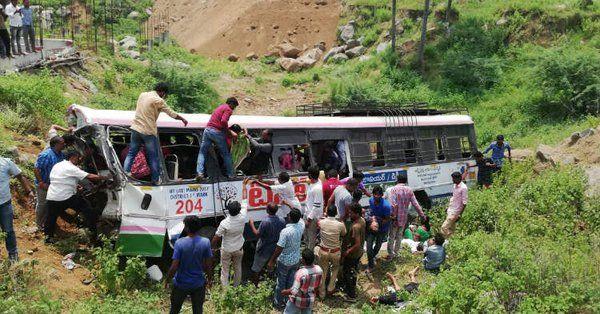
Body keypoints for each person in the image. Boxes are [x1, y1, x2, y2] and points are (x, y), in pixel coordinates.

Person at [125, 83, 188, 185]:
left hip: (135, 128)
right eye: (165, 94)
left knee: (132, 153)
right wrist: (182, 119)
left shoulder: (142, 95)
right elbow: (171, 113)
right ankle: (156, 179)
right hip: (148, 131)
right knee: (153, 156)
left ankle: (126, 172)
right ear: (162, 92)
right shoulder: (158, 100)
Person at [44, 150, 109, 244]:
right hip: (66, 197)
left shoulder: (57, 165)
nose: (79, 160)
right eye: (78, 157)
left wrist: (75, 186)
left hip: (52, 196)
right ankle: (93, 238)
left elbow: (61, 179)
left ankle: (48, 238)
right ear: (73, 157)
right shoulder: (71, 168)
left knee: (51, 217)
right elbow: (89, 176)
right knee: (89, 212)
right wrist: (106, 177)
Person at [166, 215, 213, 314]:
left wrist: (167, 280)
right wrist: (209, 279)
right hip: (198, 284)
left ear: (187, 228)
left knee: (174, 310)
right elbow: (208, 264)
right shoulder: (205, 242)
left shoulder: (179, 243)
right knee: (198, 310)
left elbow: (174, 266)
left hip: (181, 283)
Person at [268, 208, 305, 309]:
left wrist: (271, 261)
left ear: (289, 218)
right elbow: (301, 218)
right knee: (291, 281)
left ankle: (278, 303)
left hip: (284, 261)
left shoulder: (285, 231)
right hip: (296, 259)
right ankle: (288, 301)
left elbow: (279, 248)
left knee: (281, 282)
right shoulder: (301, 226)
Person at [0, 155, 34, 262]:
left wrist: (29, 191)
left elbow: (20, 176)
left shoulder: (6, 162)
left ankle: (13, 257)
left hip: (4, 203)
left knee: (8, 230)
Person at [196, 97, 239, 180]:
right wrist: (229, 132)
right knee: (226, 154)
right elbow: (223, 121)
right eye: (234, 106)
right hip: (216, 132)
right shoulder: (228, 109)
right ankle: (231, 174)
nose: (233, 109)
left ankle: (200, 173)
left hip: (207, 130)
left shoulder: (220, 107)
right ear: (231, 104)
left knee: (202, 152)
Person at [386, 174, 426, 260]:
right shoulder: (409, 190)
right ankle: (396, 253)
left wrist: (393, 215)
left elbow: (393, 204)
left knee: (392, 236)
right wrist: (422, 215)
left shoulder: (394, 189)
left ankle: (390, 254)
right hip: (404, 217)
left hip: (395, 217)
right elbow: (416, 204)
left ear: (397, 180)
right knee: (399, 235)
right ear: (406, 181)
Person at [248, 203, 286, 284]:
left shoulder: (265, 221)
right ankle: (269, 282)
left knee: (257, 267)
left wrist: (251, 224)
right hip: (275, 248)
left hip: (264, 248)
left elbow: (257, 234)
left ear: (267, 210)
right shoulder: (282, 220)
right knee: (271, 265)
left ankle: (255, 284)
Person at [33, 136, 66, 231]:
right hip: (44, 184)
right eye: (62, 143)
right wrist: (41, 183)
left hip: (54, 185)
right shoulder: (46, 155)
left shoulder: (61, 155)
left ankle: (47, 223)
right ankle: (39, 225)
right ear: (56, 144)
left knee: (50, 205)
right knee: (42, 204)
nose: (64, 145)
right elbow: (36, 169)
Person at [211, 201, 247, 287]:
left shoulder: (224, 223)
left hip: (226, 250)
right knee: (238, 268)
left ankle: (226, 292)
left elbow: (216, 237)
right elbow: (245, 203)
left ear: (228, 211)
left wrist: (212, 248)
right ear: (239, 210)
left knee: (225, 271)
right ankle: (236, 287)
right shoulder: (243, 217)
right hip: (239, 248)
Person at [314, 205, 346, 299]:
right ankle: (330, 288)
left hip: (323, 251)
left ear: (327, 213)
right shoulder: (340, 225)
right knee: (335, 269)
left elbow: (318, 223)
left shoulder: (322, 222)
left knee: (323, 271)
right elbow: (344, 233)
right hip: (335, 252)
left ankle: (322, 293)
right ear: (336, 213)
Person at [282, 248, 323, 314]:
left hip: (297, 301)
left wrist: (285, 292)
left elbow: (294, 291)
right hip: (310, 301)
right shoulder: (319, 270)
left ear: (303, 260)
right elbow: (318, 285)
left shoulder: (300, 273)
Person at [340, 203, 365, 301]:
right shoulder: (362, 220)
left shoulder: (355, 226)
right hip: (359, 252)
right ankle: (352, 287)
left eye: (351, 213)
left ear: (357, 213)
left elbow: (357, 243)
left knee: (347, 273)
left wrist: (347, 251)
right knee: (353, 271)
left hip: (353, 254)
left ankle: (351, 295)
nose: (349, 215)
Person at [365, 185, 392, 272]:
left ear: (381, 195)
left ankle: (371, 260)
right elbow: (371, 212)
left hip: (382, 228)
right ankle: (371, 264)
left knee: (377, 246)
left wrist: (377, 223)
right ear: (372, 195)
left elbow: (387, 219)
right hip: (372, 226)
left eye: (378, 195)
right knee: (369, 247)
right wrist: (372, 221)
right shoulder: (371, 200)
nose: (376, 196)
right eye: (375, 194)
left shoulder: (386, 206)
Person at [441, 172, 468, 238]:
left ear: (459, 178)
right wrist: (448, 207)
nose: (452, 180)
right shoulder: (455, 185)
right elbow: (454, 197)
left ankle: (452, 238)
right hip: (451, 209)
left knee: (443, 228)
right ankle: (454, 240)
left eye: (453, 179)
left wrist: (460, 214)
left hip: (455, 212)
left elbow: (464, 203)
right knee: (451, 229)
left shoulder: (463, 188)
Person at [304, 166, 323, 251]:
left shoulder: (317, 188)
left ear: (310, 175)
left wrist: (309, 219)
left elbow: (316, 206)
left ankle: (309, 256)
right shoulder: (315, 182)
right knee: (306, 236)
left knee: (311, 238)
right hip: (307, 214)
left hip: (312, 217)